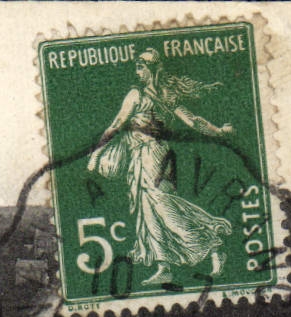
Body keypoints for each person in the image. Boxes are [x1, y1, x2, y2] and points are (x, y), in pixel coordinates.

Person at [90, 49, 235, 286]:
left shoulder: (137, 94)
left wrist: (96, 151)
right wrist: (218, 131)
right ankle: (164, 266)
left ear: (152, 69)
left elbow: (117, 123)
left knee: (164, 206)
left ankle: (213, 246)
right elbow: (193, 121)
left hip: (152, 156)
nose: (137, 72)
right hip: (146, 156)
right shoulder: (166, 95)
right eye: (137, 67)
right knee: (148, 211)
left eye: (141, 67)